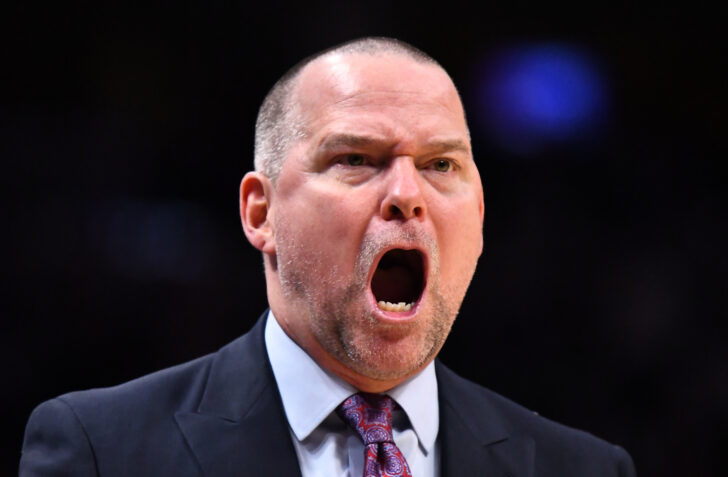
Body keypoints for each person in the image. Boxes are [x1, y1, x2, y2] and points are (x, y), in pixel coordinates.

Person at [20, 37, 636, 476]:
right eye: (356, 160)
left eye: (440, 165)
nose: (406, 196)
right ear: (261, 214)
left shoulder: (583, 466)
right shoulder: (101, 451)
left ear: (477, 218)